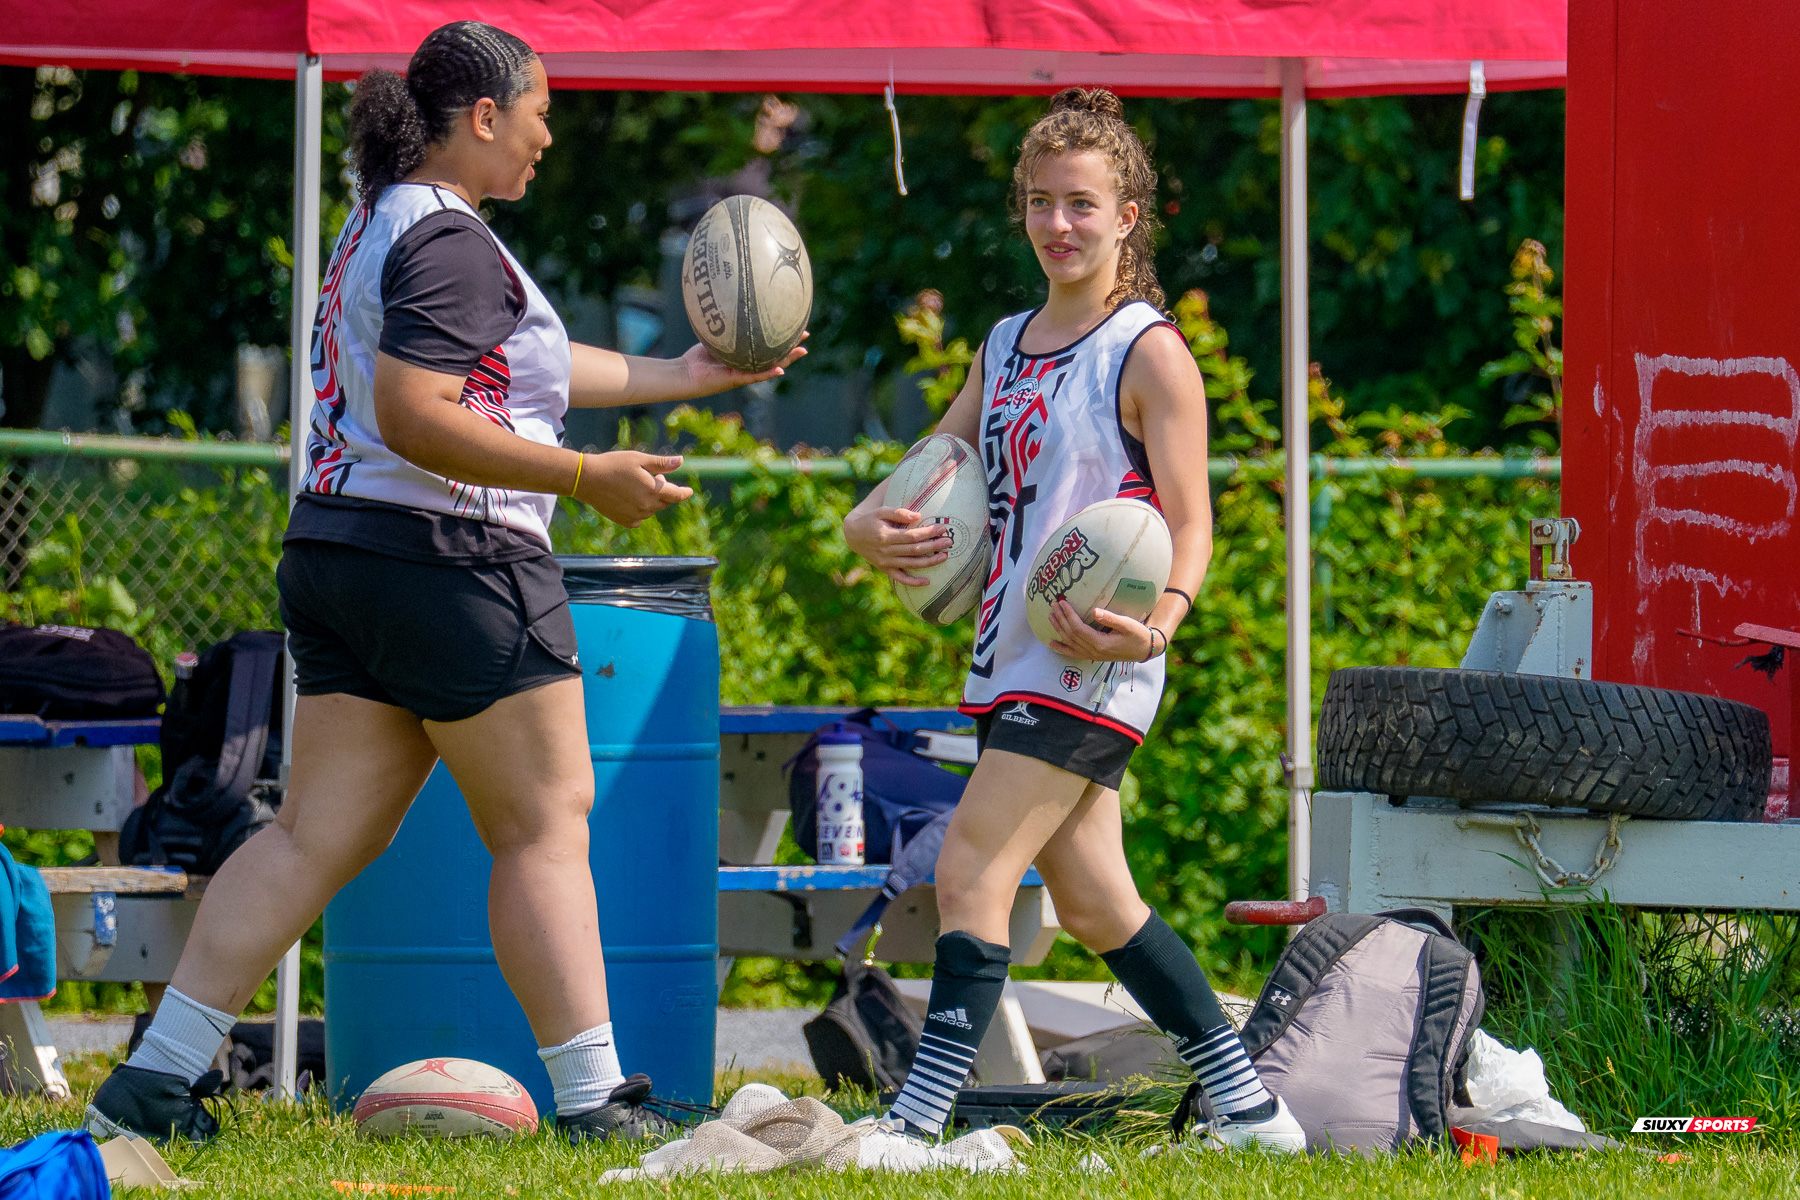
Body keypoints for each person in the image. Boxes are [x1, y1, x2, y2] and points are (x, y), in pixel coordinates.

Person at [85, 20, 801, 1144]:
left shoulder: (385, 223)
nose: (548, 136)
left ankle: (158, 1075)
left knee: (315, 836)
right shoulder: (455, 244)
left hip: (341, 553)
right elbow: (418, 414)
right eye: (539, 112)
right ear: (482, 117)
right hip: (454, 562)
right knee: (544, 829)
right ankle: (593, 1101)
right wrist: (583, 476)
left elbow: (525, 373)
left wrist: (688, 373)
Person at [843, 88, 1304, 1158]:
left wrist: (1161, 626)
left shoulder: (1149, 353)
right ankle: (1249, 1110)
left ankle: (918, 1125)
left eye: (1084, 205)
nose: (1060, 225)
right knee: (1098, 905)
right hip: (1008, 660)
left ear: (1127, 216)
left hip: (1093, 659)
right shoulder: (1002, 345)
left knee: (970, 872)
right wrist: (871, 528)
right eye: (1042, 203)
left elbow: (1192, 522)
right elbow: (927, 472)